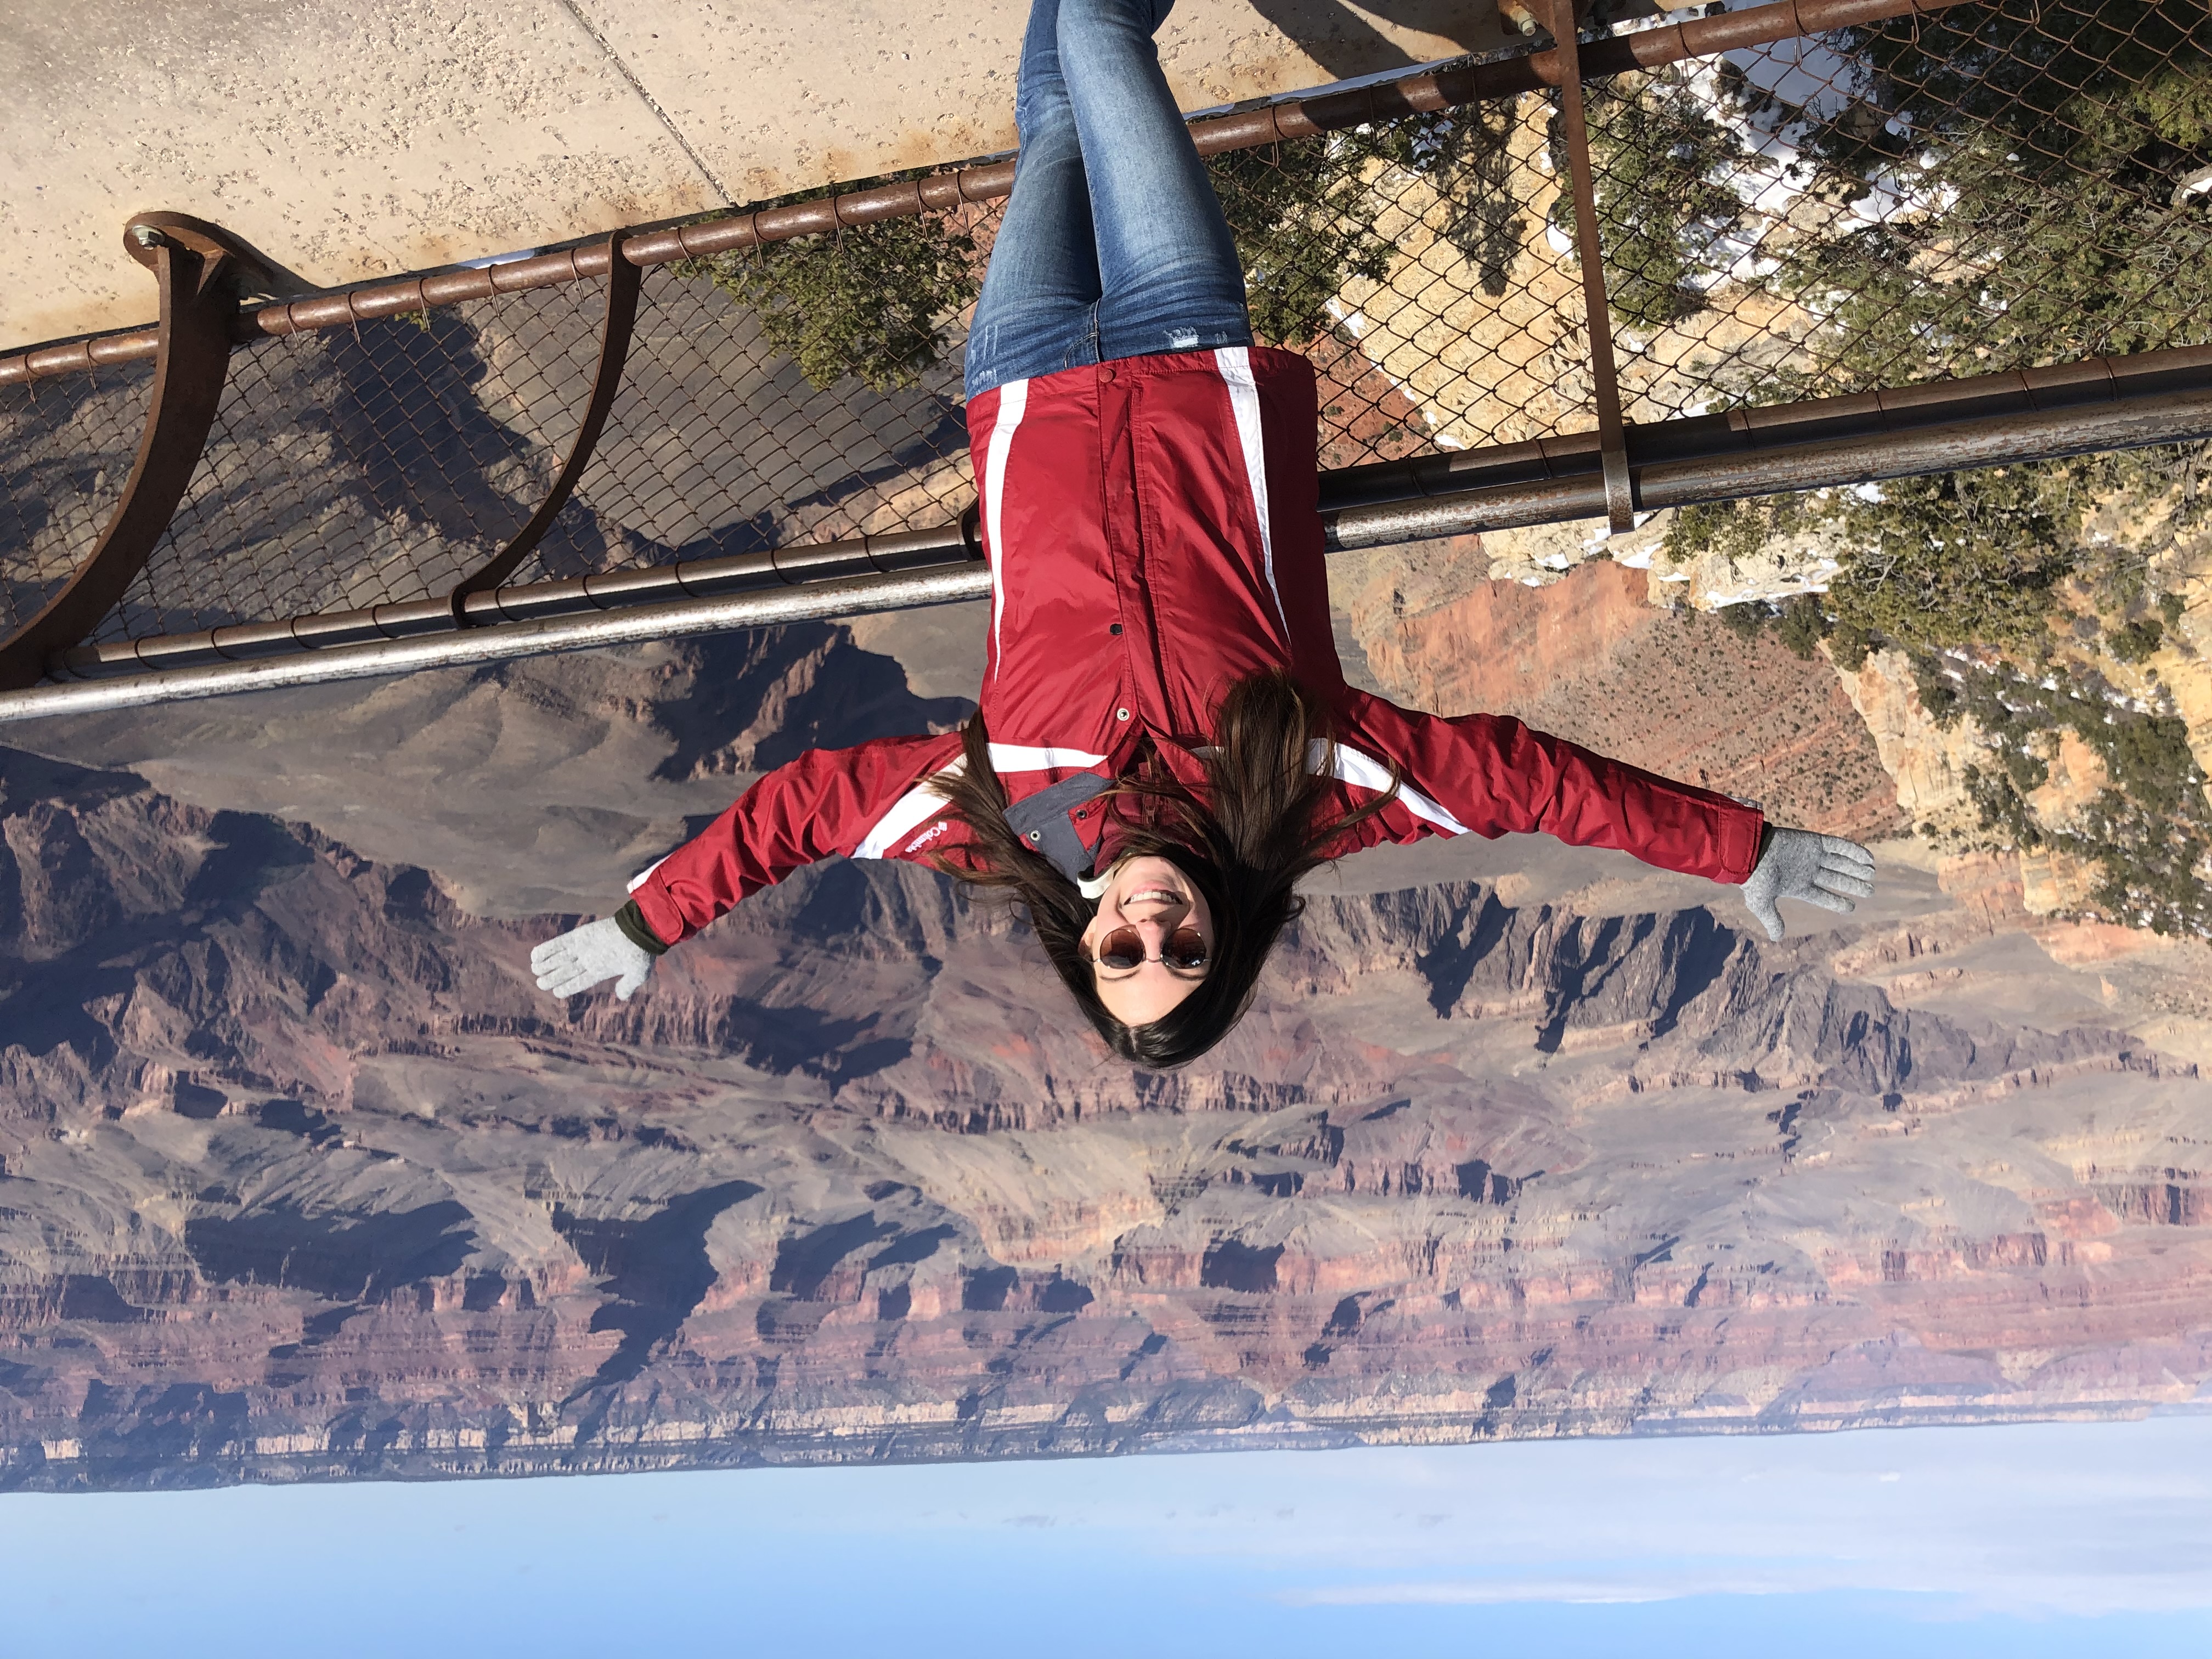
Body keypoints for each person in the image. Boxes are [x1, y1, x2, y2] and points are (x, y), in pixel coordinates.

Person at [531, 0, 1877, 1065]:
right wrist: (1739, 848)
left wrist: (651, 924)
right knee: (1107, 38)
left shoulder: (1002, 825)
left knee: (1057, 111)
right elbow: (1535, 785)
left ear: (1090, 949)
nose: (1149, 932)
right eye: (1180, 955)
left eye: (1121, 959)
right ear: (1226, 944)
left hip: (1022, 388)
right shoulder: (1320, 796)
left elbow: (793, 815)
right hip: (1188, 354)